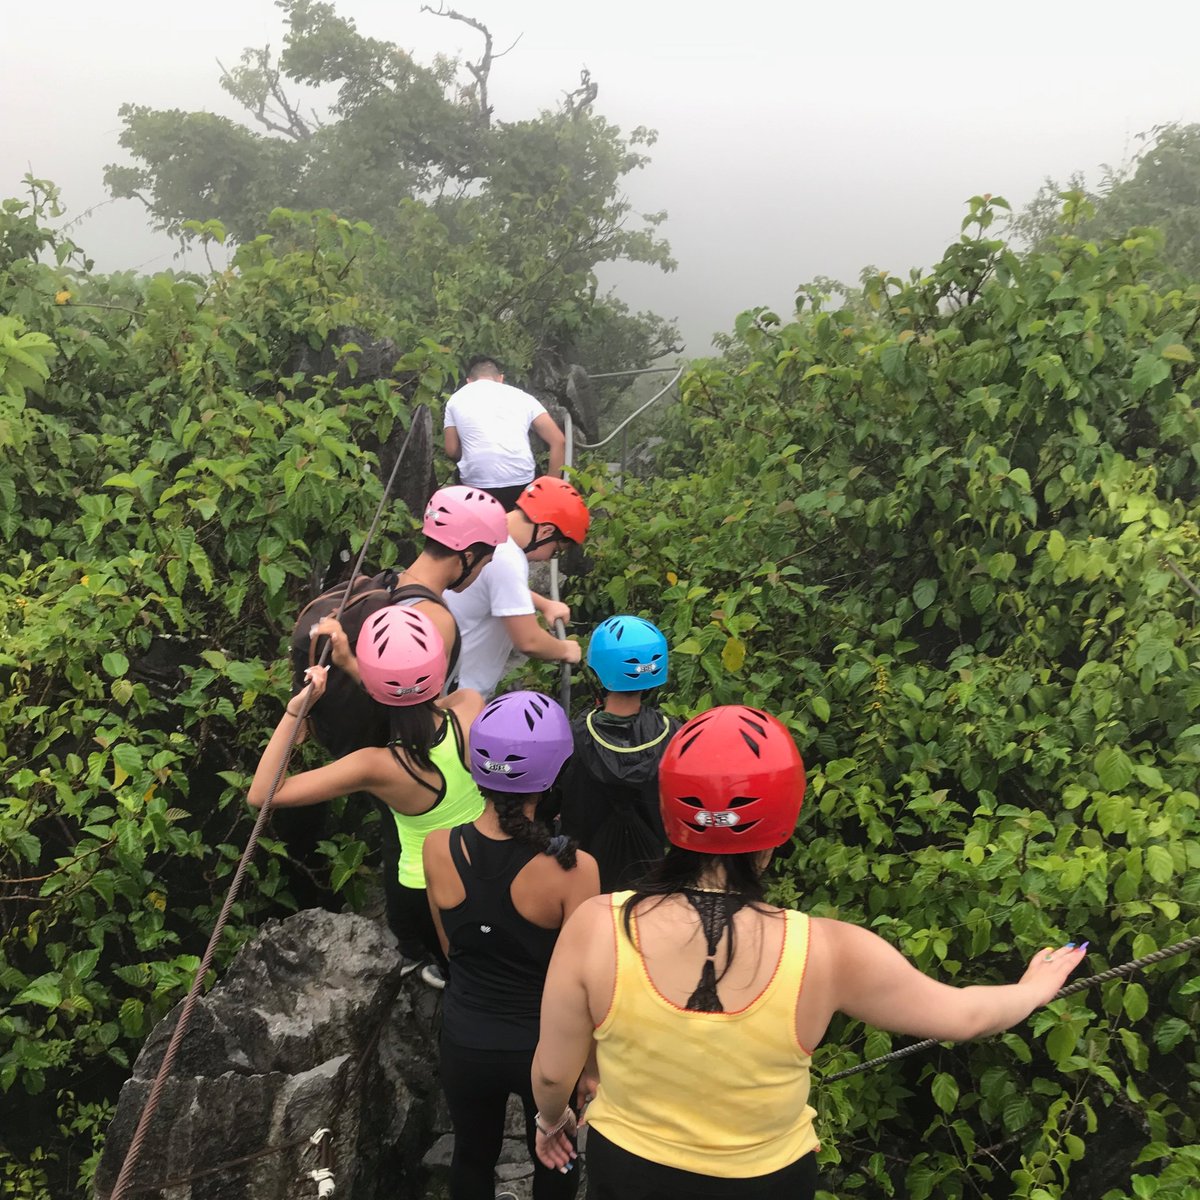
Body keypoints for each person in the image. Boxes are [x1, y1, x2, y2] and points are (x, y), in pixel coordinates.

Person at [531, 705, 1088, 1199]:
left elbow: (555, 1077)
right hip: (766, 1180)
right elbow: (963, 1016)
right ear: (778, 829)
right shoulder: (826, 951)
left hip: (630, 1170)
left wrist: (551, 1122)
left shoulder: (598, 926)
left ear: (672, 813)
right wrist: (1032, 990)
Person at [423, 691, 599, 1200]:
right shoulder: (575, 870)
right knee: (557, 1155)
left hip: (465, 1038)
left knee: (472, 1155)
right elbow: (583, 982)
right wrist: (590, 1067)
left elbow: (450, 947)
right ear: (551, 778)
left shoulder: (438, 845)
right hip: (545, 1046)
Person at [251, 606, 486, 987]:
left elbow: (264, 793)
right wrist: (353, 663)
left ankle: (444, 972)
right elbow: (415, 702)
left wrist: (296, 712)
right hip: (481, 859)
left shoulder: (375, 766)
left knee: (452, 962)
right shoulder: (469, 706)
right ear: (440, 668)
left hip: (427, 893)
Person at [558, 616, 679, 890]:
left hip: (584, 882)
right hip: (651, 882)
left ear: (599, 670)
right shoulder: (673, 735)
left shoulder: (574, 736)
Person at [444, 476, 589, 697]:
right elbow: (528, 641)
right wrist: (565, 649)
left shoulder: (492, 535)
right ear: (546, 532)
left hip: (445, 682)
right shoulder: (508, 558)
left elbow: (495, 587)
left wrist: (544, 603)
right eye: (555, 551)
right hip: (457, 695)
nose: (548, 559)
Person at [443, 356, 567, 510]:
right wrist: (548, 492)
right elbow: (558, 441)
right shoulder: (523, 397)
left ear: (468, 381)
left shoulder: (455, 400)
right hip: (521, 486)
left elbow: (451, 450)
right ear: (501, 379)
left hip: (476, 489)